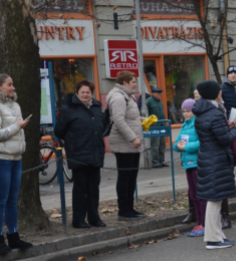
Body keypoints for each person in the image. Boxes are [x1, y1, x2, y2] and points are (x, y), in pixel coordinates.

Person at [0, 74, 33, 255]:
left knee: (12, 200)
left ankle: (13, 237)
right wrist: (17, 127)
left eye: (13, 84)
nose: (13, 87)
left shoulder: (15, 105)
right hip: (0, 159)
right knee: (0, 201)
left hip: (15, 158)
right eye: (9, 84)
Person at [55, 79, 107, 229]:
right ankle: (78, 219)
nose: (85, 95)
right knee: (80, 189)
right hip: (78, 154)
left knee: (94, 189)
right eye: (82, 92)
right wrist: (74, 141)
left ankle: (94, 218)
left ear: (92, 94)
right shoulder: (68, 109)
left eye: (88, 92)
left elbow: (100, 127)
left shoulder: (97, 107)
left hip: (95, 153)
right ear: (77, 93)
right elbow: (59, 130)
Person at [194, 81, 236, 249]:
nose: (221, 93)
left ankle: (218, 236)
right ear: (214, 93)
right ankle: (213, 239)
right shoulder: (215, 113)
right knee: (215, 200)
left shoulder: (202, 111)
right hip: (216, 159)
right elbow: (224, 139)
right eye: (219, 91)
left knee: (215, 199)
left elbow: (213, 134)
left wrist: (226, 127)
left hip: (207, 158)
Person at [107, 71, 145, 221]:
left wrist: (144, 120)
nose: (135, 84)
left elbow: (131, 117)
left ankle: (130, 208)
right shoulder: (118, 97)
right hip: (124, 144)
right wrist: (133, 138)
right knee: (125, 177)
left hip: (131, 144)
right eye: (133, 82)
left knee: (131, 177)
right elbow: (118, 120)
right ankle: (123, 210)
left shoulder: (128, 96)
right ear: (125, 83)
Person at [173, 98, 207, 236]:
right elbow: (176, 143)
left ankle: (204, 223)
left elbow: (201, 143)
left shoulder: (197, 124)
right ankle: (199, 223)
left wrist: (186, 147)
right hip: (187, 164)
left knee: (200, 195)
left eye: (189, 111)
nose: (186, 114)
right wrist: (179, 146)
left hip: (197, 163)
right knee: (193, 195)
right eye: (184, 111)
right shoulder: (184, 126)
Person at [146, 85, 167, 168]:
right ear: (153, 93)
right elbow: (145, 114)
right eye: (158, 93)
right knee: (155, 145)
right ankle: (154, 162)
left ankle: (161, 161)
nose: (160, 95)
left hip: (162, 125)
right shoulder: (148, 102)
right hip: (154, 126)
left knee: (162, 144)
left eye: (160, 93)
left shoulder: (160, 101)